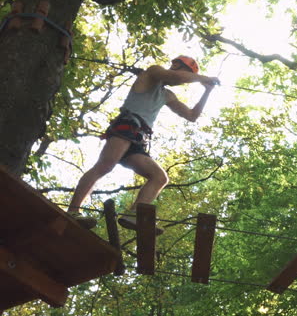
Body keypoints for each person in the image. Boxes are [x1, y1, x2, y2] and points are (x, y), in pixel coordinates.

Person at [67, 56, 220, 233]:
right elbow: (176, 77)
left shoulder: (167, 95)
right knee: (105, 166)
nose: (183, 81)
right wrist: (203, 78)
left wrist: (207, 91)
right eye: (187, 73)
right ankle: (73, 211)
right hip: (127, 126)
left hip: (138, 138)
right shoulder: (153, 72)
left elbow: (192, 116)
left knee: (159, 177)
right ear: (176, 65)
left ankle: (134, 215)